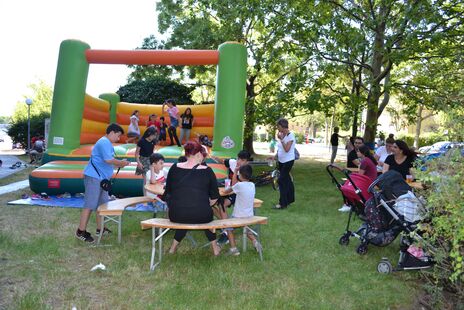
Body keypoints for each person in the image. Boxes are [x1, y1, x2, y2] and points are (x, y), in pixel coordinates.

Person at [75, 123, 130, 243]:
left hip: (101, 179)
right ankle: (80, 231)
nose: (118, 138)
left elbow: (107, 161)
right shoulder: (104, 142)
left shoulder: (106, 143)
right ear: (111, 132)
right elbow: (108, 160)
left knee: (102, 205)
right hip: (94, 177)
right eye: (118, 135)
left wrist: (120, 163)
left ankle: (100, 228)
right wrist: (121, 163)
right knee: (90, 205)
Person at [165, 141, 221, 255]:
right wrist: (204, 204)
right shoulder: (208, 171)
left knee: (187, 212)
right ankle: (215, 249)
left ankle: (172, 248)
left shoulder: (174, 168)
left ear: (186, 154)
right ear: (199, 154)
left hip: (176, 214)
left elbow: (168, 193)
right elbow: (215, 197)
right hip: (201, 214)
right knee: (201, 212)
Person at [219, 164, 262, 256]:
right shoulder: (252, 185)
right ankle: (255, 242)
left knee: (228, 227)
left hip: (238, 216)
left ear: (240, 175)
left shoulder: (239, 185)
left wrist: (234, 172)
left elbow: (227, 191)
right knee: (246, 227)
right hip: (249, 216)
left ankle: (234, 248)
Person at [273, 118, 295, 209]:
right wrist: (274, 156)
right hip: (281, 161)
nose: (277, 128)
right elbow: (280, 149)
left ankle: (282, 203)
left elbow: (287, 149)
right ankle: (290, 199)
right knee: (287, 181)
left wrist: (282, 139)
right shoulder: (281, 134)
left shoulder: (290, 136)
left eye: (278, 126)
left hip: (288, 161)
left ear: (282, 126)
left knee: (281, 180)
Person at [135, 127, 158, 195]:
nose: (154, 137)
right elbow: (136, 153)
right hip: (143, 160)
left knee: (151, 178)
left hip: (150, 160)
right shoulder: (141, 141)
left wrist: (154, 162)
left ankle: (151, 195)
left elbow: (152, 152)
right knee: (146, 180)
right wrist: (138, 163)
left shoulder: (153, 142)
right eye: (153, 135)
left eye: (155, 135)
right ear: (149, 134)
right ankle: (145, 196)